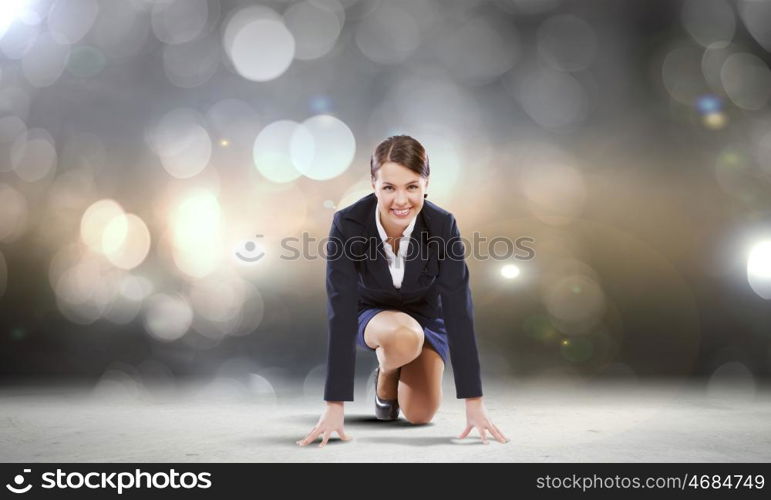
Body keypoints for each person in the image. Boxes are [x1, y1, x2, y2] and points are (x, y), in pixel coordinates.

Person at [297, 135, 508, 448]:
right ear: (373, 184)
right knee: (403, 336)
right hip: (370, 314)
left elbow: (457, 307)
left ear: (425, 184)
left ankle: (393, 367)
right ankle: (387, 373)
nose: (401, 200)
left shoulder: (442, 224)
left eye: (411, 187)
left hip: (425, 315)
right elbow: (340, 309)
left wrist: (474, 401)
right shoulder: (348, 223)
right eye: (389, 187)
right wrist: (334, 406)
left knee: (421, 413)